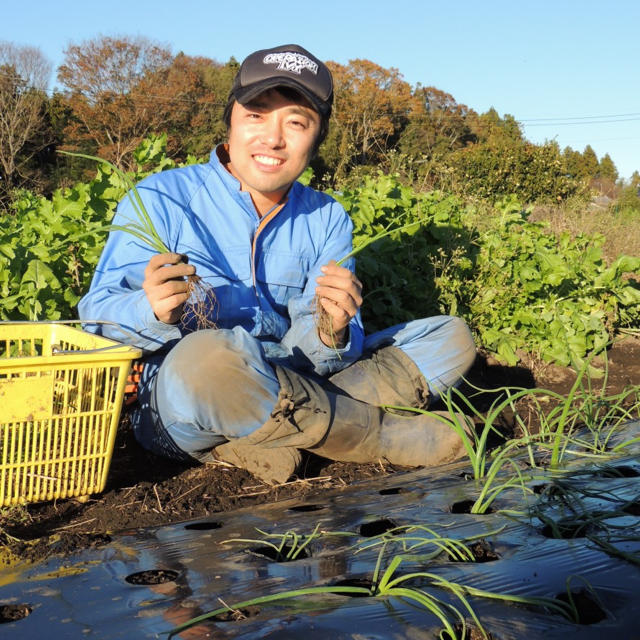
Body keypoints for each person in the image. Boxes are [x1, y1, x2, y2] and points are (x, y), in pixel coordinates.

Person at [79, 44, 477, 484]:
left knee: (450, 337)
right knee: (209, 360)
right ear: (230, 119)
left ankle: (263, 434)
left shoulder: (326, 217)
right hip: (182, 395)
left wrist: (333, 330)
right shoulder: (159, 198)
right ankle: (375, 434)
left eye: (296, 122)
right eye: (256, 115)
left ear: (316, 138)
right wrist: (149, 311)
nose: (273, 138)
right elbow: (96, 322)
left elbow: (323, 352)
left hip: (292, 371)